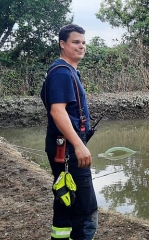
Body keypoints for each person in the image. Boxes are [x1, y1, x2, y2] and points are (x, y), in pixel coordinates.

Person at [40, 24, 98, 240]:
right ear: (62, 44)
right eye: (75, 42)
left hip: (62, 146)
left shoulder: (66, 70)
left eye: (83, 42)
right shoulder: (63, 73)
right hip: (68, 148)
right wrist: (79, 145)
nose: (81, 46)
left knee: (66, 198)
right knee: (85, 209)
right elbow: (58, 111)